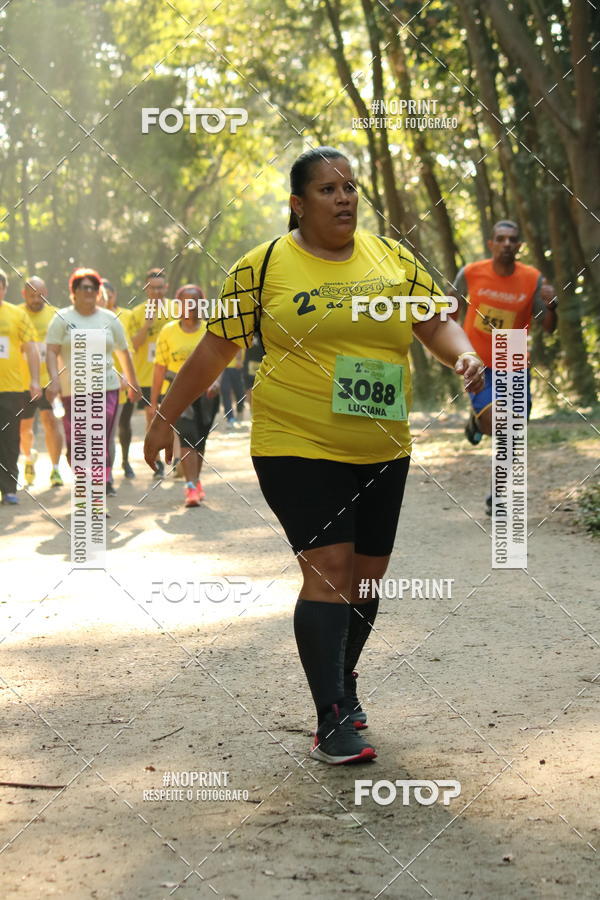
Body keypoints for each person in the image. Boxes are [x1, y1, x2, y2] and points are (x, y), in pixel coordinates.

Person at [144, 146, 483, 765]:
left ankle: (344, 684)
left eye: (349, 186)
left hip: (381, 443)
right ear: (298, 205)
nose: (344, 197)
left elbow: (435, 324)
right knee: (329, 568)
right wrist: (165, 415)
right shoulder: (264, 265)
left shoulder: (391, 259)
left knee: (367, 577)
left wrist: (463, 355)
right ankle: (330, 718)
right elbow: (216, 351)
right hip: (295, 441)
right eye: (327, 189)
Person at [451, 219, 557, 513]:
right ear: (492, 244)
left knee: (514, 431)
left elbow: (548, 327)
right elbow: (449, 311)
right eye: (501, 239)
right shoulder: (471, 273)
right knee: (502, 423)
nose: (507, 244)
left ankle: (497, 495)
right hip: (479, 362)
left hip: (514, 360)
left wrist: (551, 306)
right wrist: (455, 351)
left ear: (519, 246)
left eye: (513, 240)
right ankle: (478, 421)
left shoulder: (532, 278)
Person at [45, 268, 140, 488]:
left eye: (93, 287)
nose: (89, 291)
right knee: (77, 442)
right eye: (84, 287)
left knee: (100, 438)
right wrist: (54, 379)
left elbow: (124, 352)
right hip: (73, 390)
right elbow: (51, 351)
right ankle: (85, 480)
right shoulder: (62, 318)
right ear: (74, 291)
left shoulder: (109, 319)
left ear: (99, 292)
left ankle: (99, 486)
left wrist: (133, 382)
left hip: (106, 388)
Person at [150, 284, 220, 508]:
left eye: (195, 301)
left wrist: (216, 382)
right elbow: (159, 368)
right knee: (188, 436)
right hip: (177, 391)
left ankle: (195, 481)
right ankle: (190, 487)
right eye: (185, 301)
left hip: (206, 392)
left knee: (200, 440)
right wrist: (153, 402)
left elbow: (221, 361)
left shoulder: (211, 330)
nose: (190, 306)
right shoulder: (168, 331)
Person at [127, 268, 173, 478]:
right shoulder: (136, 313)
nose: (156, 292)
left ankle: (176, 456)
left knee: (171, 416)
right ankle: (156, 460)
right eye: (152, 288)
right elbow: (133, 346)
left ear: (166, 287)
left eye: (160, 288)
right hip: (147, 375)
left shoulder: (177, 308)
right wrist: (147, 323)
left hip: (172, 373)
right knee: (151, 416)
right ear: (146, 289)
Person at [18, 276, 64, 488]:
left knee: (50, 422)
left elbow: (64, 349)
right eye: (32, 295)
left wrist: (60, 379)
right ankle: (29, 458)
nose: (37, 299)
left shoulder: (56, 315)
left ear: (46, 293)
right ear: (24, 295)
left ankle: (55, 469)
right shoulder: (17, 314)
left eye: (41, 295)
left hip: (49, 381)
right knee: (23, 428)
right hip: (21, 382)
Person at [0, 269, 41, 504]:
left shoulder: (17, 315)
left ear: (5, 289)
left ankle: (8, 488)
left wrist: (35, 380)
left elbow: (31, 349)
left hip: (11, 389)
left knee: (9, 438)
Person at [98, 278, 133, 495]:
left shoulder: (115, 320)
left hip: (113, 385)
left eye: (105, 295)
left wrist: (126, 378)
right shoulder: (74, 320)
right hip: (82, 387)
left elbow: (124, 351)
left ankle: (106, 478)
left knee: (108, 434)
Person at [220, 347, 245, 429]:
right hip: (224, 367)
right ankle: (230, 418)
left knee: (240, 393)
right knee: (225, 392)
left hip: (237, 367)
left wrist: (239, 359)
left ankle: (240, 411)